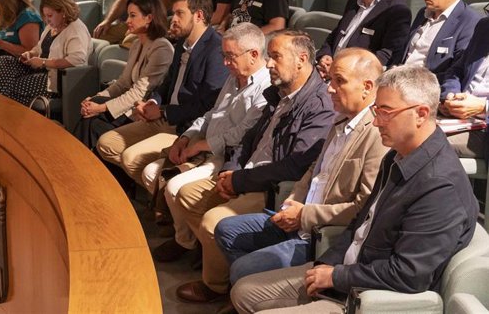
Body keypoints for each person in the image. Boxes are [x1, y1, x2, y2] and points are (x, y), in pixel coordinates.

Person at [230, 65, 478, 314]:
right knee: (242, 291)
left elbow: (409, 275)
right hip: (349, 273)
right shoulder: (396, 156)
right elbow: (360, 224)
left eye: (386, 112)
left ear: (421, 114)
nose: (377, 121)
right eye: (376, 110)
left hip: (367, 297)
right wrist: (327, 265)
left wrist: (336, 277)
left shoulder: (439, 186)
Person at [167, 30, 335, 304]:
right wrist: (229, 171)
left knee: (213, 222)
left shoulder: (318, 105)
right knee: (186, 195)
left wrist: (240, 181)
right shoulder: (279, 92)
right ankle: (221, 264)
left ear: (302, 60)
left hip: (271, 188)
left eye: (276, 57)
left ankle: (218, 285)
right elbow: (248, 140)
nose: (268, 64)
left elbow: (293, 167)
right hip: (247, 174)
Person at [215, 48, 388, 287]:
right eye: (330, 80)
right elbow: (313, 170)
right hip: (296, 216)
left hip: (319, 235)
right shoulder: (339, 119)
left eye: (340, 81)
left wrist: (304, 215)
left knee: (242, 269)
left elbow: (362, 209)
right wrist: (291, 203)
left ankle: (253, 290)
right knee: (226, 230)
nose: (329, 88)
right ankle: (257, 290)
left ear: (367, 87)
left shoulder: (377, 136)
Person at [141, 23, 271, 256]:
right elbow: (212, 114)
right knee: (151, 171)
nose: (224, 63)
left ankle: (187, 244)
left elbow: (243, 132)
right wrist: (186, 137)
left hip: (226, 156)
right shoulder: (234, 77)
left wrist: (200, 145)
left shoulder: (265, 88)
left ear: (253, 55)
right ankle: (186, 236)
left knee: (173, 186)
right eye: (224, 55)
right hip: (203, 144)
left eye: (230, 56)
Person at [96, 0, 228, 185]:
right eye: (173, 13)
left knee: (130, 158)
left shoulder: (216, 49)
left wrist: (164, 112)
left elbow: (207, 105)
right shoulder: (181, 43)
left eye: (179, 13)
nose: (172, 19)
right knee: (106, 143)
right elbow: (167, 84)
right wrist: (151, 102)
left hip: (186, 126)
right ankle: (150, 186)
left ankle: (157, 195)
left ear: (199, 15)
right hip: (164, 117)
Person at [73, 0, 173, 149]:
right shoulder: (136, 45)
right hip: (128, 107)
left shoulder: (161, 48)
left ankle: (74, 159)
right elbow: (122, 83)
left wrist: (100, 107)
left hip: (143, 111)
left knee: (92, 119)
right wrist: (96, 98)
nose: (127, 21)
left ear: (149, 18)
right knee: (91, 111)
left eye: (133, 16)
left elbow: (139, 93)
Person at [316, 0, 411, 78]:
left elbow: (387, 56)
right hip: (330, 73)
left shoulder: (397, 12)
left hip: (355, 79)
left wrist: (341, 69)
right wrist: (325, 56)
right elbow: (336, 35)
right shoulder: (353, 1)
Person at [0, 0, 91, 107]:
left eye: (50, 16)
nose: (47, 20)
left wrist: (43, 62)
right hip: (41, 70)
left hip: (57, 80)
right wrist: (30, 53)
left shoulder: (76, 29)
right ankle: (0, 106)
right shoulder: (52, 26)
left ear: (63, 11)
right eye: (45, 16)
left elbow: (76, 60)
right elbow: (39, 47)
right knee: (3, 61)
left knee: (12, 86)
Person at [403, 0, 481, 80]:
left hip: (426, 88)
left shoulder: (470, 22)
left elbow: (457, 72)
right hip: (399, 80)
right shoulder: (422, 14)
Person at [440, 16, 489, 158]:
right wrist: (451, 95)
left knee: (425, 145)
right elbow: (457, 70)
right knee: (403, 128)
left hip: (484, 128)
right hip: (459, 118)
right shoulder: (484, 26)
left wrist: (483, 107)